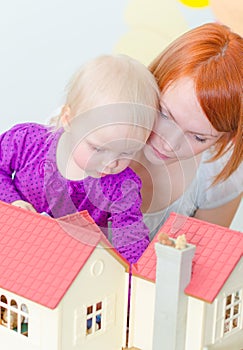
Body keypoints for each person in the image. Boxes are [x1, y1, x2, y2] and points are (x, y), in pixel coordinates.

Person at [0, 54, 159, 263]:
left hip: (64, 263)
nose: (111, 163)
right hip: (9, 242)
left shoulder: (122, 186)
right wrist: (14, 202)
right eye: (98, 148)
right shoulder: (27, 141)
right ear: (68, 119)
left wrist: (135, 282)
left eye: (127, 152)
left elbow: (131, 240)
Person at [130, 22, 243, 240]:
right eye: (164, 114)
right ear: (154, 80)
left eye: (199, 137)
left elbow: (198, 265)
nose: (169, 143)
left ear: (226, 138)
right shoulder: (93, 122)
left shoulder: (217, 174)